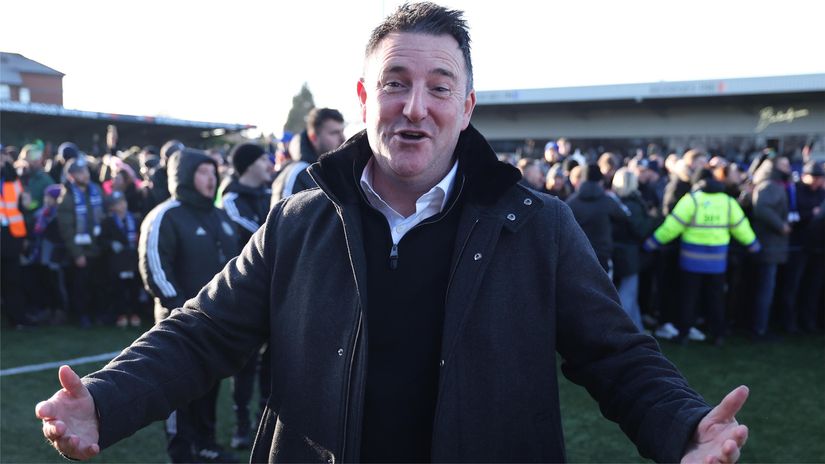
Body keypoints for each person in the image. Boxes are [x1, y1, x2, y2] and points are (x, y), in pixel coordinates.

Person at [37, 4, 750, 463]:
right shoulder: (299, 218)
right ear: (362, 98)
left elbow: (617, 357)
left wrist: (684, 428)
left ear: (465, 107)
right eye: (394, 83)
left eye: (439, 87)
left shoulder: (535, 225)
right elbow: (202, 333)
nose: (415, 106)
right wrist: (105, 400)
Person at [136, 148, 241, 462]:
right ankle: (182, 450)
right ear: (184, 176)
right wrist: (181, 311)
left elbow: (236, 267)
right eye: (203, 172)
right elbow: (154, 267)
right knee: (180, 390)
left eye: (214, 172)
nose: (212, 178)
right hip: (179, 325)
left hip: (216, 323)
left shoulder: (220, 216)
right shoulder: (165, 215)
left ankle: (206, 443)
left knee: (209, 387)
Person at [644, 168, 760, 346]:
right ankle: (718, 334)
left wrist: (652, 243)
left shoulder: (692, 200)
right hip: (717, 262)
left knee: (689, 298)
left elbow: (672, 226)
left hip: (691, 261)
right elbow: (741, 227)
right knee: (716, 298)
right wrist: (754, 245)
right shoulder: (728, 202)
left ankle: (684, 334)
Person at [220, 142, 274, 449]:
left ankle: (264, 421)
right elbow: (259, 233)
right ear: (249, 165)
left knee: (275, 362)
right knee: (245, 363)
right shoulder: (231, 198)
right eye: (262, 159)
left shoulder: (269, 194)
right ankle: (241, 424)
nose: (269, 163)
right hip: (247, 293)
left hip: (277, 291)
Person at [56, 156, 106, 328]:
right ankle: (83, 316)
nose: (84, 175)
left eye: (84, 170)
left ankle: (97, 314)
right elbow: (66, 230)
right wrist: (77, 254)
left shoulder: (96, 191)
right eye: (79, 172)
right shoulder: (67, 198)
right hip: (82, 251)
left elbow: (104, 218)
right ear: (71, 176)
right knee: (81, 287)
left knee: (98, 284)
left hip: (98, 248)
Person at [750, 156, 792, 341]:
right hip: (769, 246)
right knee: (765, 290)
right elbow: (762, 208)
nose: (788, 168)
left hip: (772, 247)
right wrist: (781, 225)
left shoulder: (774, 185)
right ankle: (760, 329)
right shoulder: (769, 186)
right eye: (784, 165)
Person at [271, 107, 345, 203]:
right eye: (334, 133)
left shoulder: (334, 169)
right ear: (313, 137)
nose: (343, 139)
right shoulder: (296, 174)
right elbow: (284, 216)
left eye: (342, 131)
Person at [566, 163, 630, 275]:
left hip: (576, 258)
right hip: (602, 257)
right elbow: (624, 218)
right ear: (600, 181)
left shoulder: (571, 202)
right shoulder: (608, 201)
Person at [99, 191, 142, 328]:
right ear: (112, 207)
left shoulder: (135, 219)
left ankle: (135, 313)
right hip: (117, 262)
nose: (122, 205)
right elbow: (102, 240)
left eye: (123, 202)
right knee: (119, 289)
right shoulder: (108, 221)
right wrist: (111, 244)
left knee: (134, 287)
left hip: (133, 260)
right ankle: (121, 314)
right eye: (118, 203)